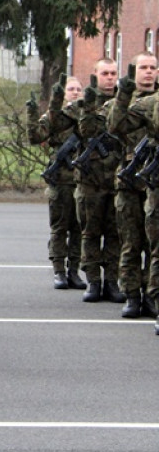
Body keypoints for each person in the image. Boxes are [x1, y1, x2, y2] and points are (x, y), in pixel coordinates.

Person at [106, 53, 158, 317]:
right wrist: (123, 94)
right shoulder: (133, 102)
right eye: (143, 68)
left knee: (154, 247)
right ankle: (132, 295)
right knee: (130, 242)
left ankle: (152, 295)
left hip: (152, 183)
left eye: (152, 68)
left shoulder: (156, 102)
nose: (148, 72)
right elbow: (114, 126)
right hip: (129, 180)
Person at [26, 74, 86, 289]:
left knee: (79, 229)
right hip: (60, 179)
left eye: (79, 89)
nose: (76, 93)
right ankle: (59, 271)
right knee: (60, 228)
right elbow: (35, 137)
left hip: (83, 180)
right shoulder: (54, 117)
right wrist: (32, 114)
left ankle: (74, 271)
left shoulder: (88, 116)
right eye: (71, 89)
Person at [77, 59, 124, 304]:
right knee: (90, 233)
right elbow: (82, 131)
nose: (109, 78)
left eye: (113, 73)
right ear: (95, 75)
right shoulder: (83, 104)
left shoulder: (126, 103)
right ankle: (94, 282)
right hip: (90, 182)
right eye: (104, 73)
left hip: (117, 180)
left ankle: (112, 282)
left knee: (115, 234)